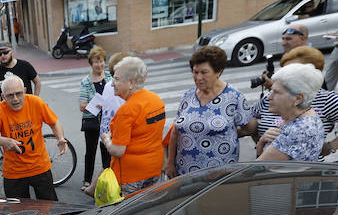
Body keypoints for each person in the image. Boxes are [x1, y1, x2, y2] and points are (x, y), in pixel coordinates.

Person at [253, 46, 338, 157]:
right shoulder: (273, 95)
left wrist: (330, 147)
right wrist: (261, 141)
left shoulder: (325, 99)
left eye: (293, 71)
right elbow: (248, 119)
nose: (285, 76)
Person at [166, 46, 255, 177]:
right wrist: (170, 163)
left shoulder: (234, 97)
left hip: (219, 173)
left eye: (204, 72)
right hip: (185, 172)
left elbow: (250, 127)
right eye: (195, 72)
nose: (198, 77)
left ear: (218, 71)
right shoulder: (188, 96)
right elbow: (176, 131)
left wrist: (230, 134)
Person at [0, 76, 67, 201]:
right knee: (19, 214)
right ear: (3, 97)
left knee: (50, 208)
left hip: (40, 167)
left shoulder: (36, 102)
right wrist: (2, 141)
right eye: (10, 95)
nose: (15, 99)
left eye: (19, 93)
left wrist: (60, 138)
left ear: (25, 90)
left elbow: (54, 122)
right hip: (14, 172)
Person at [99, 57, 166, 196]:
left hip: (131, 176)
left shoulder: (127, 110)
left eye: (117, 79)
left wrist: (106, 139)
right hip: (154, 168)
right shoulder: (156, 99)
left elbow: (117, 151)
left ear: (131, 83)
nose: (112, 84)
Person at [255, 63, 325, 162]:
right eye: (271, 91)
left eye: (277, 92)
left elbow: (256, 168)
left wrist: (260, 144)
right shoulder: (306, 115)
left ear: (298, 99)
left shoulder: (297, 130)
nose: (269, 97)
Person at [78, 46, 111, 191]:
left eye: (101, 61)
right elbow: (82, 105)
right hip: (92, 121)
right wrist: (97, 105)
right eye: (96, 62)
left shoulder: (110, 78)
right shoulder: (85, 82)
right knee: (90, 151)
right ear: (91, 63)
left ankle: (108, 179)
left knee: (106, 150)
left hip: (108, 121)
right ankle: (87, 180)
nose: (99, 64)